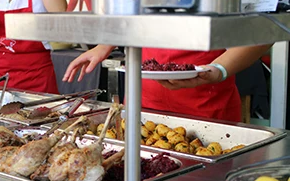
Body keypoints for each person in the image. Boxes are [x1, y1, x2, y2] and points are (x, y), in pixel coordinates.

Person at [63, 44, 272, 122]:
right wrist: (106, 44)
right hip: (142, 102)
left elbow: (265, 27)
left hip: (205, 108)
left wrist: (219, 70)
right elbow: (135, 12)